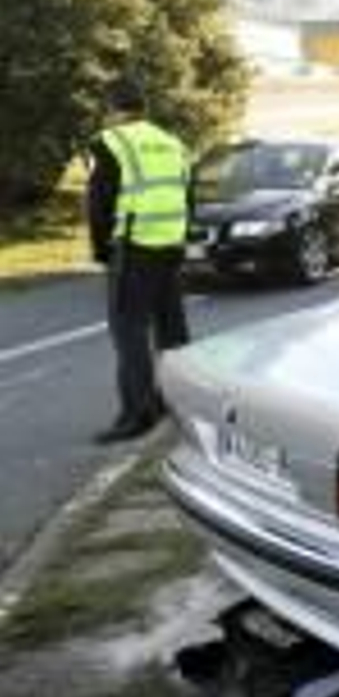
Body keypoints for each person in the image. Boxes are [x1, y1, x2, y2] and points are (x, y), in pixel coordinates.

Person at [86, 81, 193, 443]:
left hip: (133, 249)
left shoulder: (112, 142)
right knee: (172, 332)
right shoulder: (172, 143)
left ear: (114, 109)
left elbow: (99, 205)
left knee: (129, 333)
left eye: (106, 110)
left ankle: (138, 414)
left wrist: (102, 251)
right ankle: (179, 401)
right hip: (170, 247)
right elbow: (186, 196)